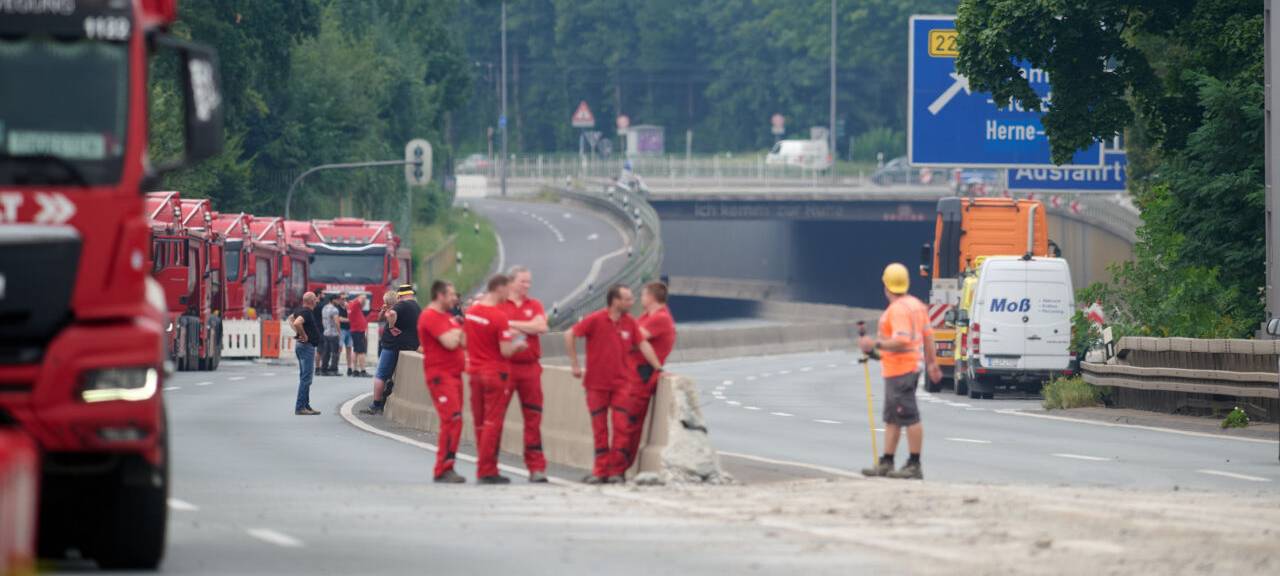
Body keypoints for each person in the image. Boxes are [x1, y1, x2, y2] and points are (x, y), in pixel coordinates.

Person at [564, 284, 663, 484]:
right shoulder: (596, 319)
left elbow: (643, 344)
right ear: (615, 301)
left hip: (622, 384)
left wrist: (658, 367)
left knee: (622, 427)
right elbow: (570, 334)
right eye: (627, 299)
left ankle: (617, 472)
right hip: (596, 384)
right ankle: (600, 471)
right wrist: (574, 364)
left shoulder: (630, 323)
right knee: (600, 429)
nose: (631, 302)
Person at [858, 263, 942, 480]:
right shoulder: (916, 305)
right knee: (893, 418)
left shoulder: (897, 310)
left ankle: (914, 464)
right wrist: (932, 364)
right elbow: (928, 336)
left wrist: (875, 345)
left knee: (909, 417)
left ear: (886, 285)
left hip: (901, 371)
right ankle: (887, 461)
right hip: (903, 368)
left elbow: (902, 340)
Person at [464, 274, 528, 485]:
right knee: (493, 422)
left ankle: (485, 467)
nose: (509, 295)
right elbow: (505, 350)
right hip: (494, 373)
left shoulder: (472, 312)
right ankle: (486, 469)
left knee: (480, 422)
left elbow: (468, 340)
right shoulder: (498, 316)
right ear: (499, 289)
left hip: (474, 371)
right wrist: (518, 345)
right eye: (507, 291)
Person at [616, 281, 676, 474]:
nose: (640, 299)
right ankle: (615, 466)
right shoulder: (645, 317)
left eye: (642, 295)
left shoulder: (660, 318)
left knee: (629, 425)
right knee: (621, 423)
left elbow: (632, 338)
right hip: (629, 373)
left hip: (641, 376)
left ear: (651, 297)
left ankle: (619, 468)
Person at [499, 266, 550, 483]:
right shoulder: (501, 304)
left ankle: (536, 467)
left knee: (533, 418)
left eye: (529, 282)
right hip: (505, 366)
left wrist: (513, 326)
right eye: (523, 282)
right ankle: (489, 465)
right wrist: (527, 328)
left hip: (530, 368)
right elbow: (497, 327)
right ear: (511, 283)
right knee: (496, 416)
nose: (527, 286)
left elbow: (541, 326)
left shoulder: (534, 304)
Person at [417, 281, 468, 483]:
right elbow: (450, 341)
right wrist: (457, 332)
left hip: (454, 375)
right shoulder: (430, 316)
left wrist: (457, 332)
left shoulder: (447, 318)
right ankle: (443, 468)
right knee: (452, 418)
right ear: (440, 295)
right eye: (451, 295)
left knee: (456, 420)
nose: (455, 299)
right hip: (440, 375)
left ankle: (449, 465)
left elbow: (463, 340)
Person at [362, 286, 421, 415]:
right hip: (410, 346)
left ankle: (376, 404)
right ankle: (384, 398)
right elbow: (382, 317)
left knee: (381, 375)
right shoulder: (417, 307)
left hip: (392, 345)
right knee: (392, 376)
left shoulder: (401, 306)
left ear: (399, 296)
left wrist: (391, 326)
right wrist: (384, 312)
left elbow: (392, 314)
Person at [289, 292, 323, 415]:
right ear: (310, 301)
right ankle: (300, 407)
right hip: (306, 347)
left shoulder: (300, 310)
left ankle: (306, 405)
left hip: (303, 346)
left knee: (305, 377)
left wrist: (298, 332)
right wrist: (303, 335)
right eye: (315, 299)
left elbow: (291, 319)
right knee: (306, 378)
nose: (317, 301)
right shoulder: (306, 312)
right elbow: (297, 322)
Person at [347, 293, 370, 377]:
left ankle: (355, 370)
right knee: (361, 351)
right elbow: (363, 297)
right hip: (358, 330)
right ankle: (363, 370)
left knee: (356, 350)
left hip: (355, 330)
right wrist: (360, 297)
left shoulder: (350, 305)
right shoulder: (355, 304)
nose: (363, 303)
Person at [320, 294, 341, 376]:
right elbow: (336, 322)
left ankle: (324, 369)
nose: (339, 301)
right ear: (333, 300)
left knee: (326, 352)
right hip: (333, 333)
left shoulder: (324, 308)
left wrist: (325, 329)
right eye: (337, 300)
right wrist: (339, 333)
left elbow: (322, 320)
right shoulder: (334, 310)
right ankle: (333, 369)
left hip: (326, 332)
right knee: (335, 353)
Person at [338, 292, 352, 375]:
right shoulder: (337, 308)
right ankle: (335, 365)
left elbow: (352, 315)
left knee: (349, 349)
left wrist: (348, 308)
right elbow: (339, 319)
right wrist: (349, 320)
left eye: (346, 299)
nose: (344, 300)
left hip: (349, 329)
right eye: (342, 299)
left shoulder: (348, 307)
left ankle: (349, 367)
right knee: (339, 348)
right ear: (339, 299)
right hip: (341, 329)